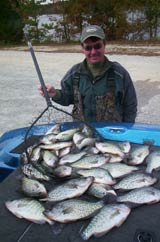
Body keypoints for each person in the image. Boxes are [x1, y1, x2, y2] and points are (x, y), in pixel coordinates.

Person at [39, 25, 137, 123]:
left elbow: (130, 106)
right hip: (82, 133)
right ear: (83, 48)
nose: (93, 52)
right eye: (88, 48)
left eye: (97, 46)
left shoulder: (120, 74)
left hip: (112, 134)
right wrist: (55, 94)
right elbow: (67, 97)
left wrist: (126, 130)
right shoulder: (74, 74)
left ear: (104, 44)